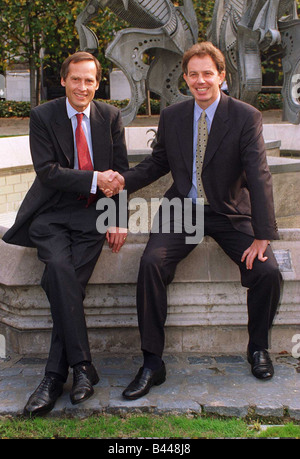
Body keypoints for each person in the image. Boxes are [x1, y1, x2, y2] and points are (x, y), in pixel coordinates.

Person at [108, 42, 283, 400]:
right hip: (183, 210)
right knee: (151, 263)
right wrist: (124, 180)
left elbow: (259, 174)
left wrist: (263, 235)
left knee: (267, 272)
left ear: (221, 76)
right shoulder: (173, 116)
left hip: (230, 210)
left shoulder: (246, 116)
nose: (200, 80)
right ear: (185, 78)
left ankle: (258, 348)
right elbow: (158, 164)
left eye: (207, 73)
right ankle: (152, 362)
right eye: (193, 74)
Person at [2, 51, 129, 415]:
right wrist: (93, 179)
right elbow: (47, 171)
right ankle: (82, 366)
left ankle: (55, 376)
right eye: (76, 79)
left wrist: (118, 216)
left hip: (92, 218)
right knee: (59, 271)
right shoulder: (44, 116)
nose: (83, 87)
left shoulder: (110, 116)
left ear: (97, 83)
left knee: (63, 284)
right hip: (51, 213)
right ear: (63, 80)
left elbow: (119, 171)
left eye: (90, 80)